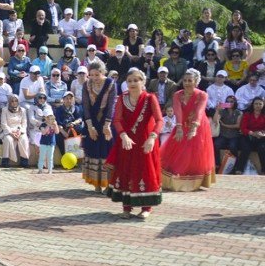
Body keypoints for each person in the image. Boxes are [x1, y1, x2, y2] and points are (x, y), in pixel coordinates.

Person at [104, 68, 165, 218]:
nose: (132, 83)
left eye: (136, 80)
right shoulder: (122, 98)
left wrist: (152, 138)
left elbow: (159, 120)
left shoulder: (150, 99)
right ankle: (126, 207)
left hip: (146, 142)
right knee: (126, 170)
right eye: (129, 81)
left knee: (145, 170)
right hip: (127, 141)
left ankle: (146, 208)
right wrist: (124, 136)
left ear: (143, 82)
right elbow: (117, 120)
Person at [161, 69, 215, 192]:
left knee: (195, 152)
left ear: (196, 82)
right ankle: (173, 180)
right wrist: (179, 127)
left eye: (190, 80)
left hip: (199, 126)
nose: (186, 83)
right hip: (182, 124)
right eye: (185, 80)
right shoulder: (177, 95)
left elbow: (199, 111)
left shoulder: (202, 95)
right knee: (178, 150)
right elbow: (178, 111)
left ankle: (193, 182)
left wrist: (194, 128)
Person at [81, 60, 117, 191]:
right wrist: (90, 127)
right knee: (93, 150)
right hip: (91, 121)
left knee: (107, 152)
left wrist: (107, 125)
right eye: (92, 75)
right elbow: (85, 106)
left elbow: (112, 106)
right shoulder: (86, 85)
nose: (95, 78)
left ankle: (108, 184)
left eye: (97, 74)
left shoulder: (111, 84)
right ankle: (96, 184)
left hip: (107, 121)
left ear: (103, 73)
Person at [234, 96, 265, 175]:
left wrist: (262, 134)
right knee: (245, 149)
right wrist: (252, 133)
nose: (258, 105)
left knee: (262, 149)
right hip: (248, 136)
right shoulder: (247, 114)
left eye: (260, 104)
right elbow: (243, 128)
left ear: (263, 105)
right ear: (253, 105)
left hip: (261, 137)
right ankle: (239, 169)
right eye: (256, 104)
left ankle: (263, 171)